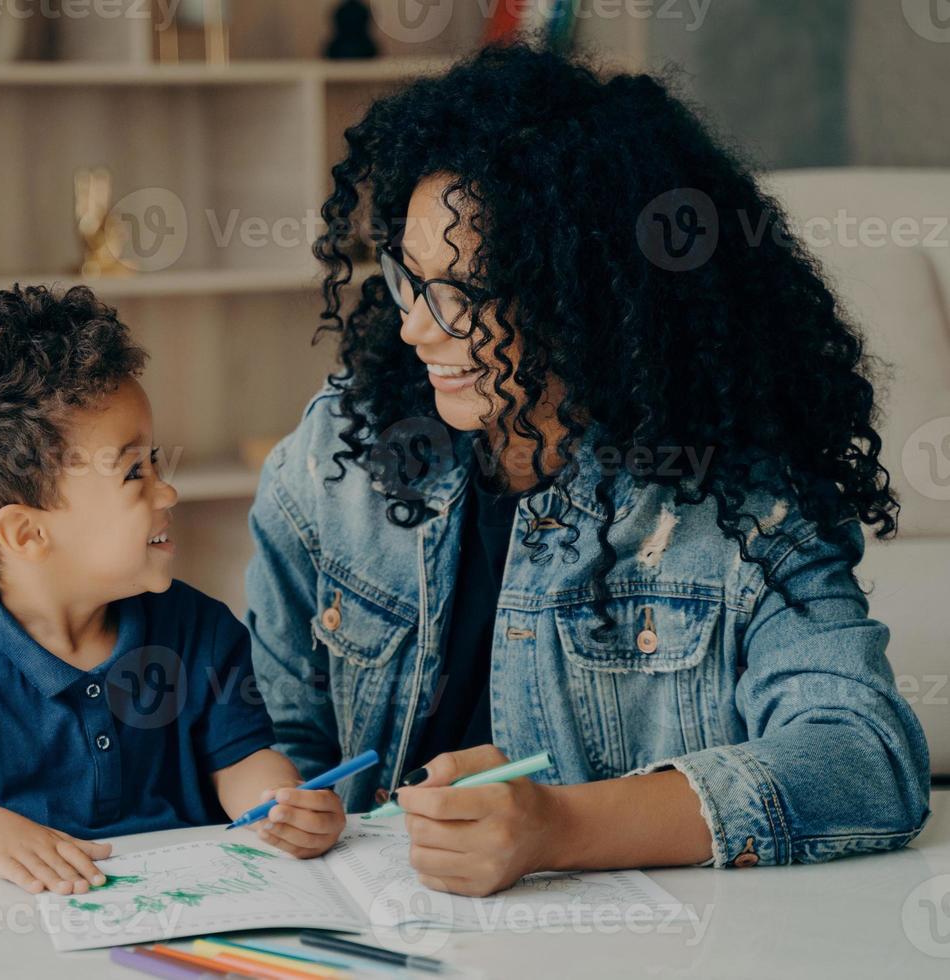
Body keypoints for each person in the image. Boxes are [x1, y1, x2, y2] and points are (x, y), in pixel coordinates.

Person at [244, 45, 931, 896]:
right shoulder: (337, 462)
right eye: (410, 281)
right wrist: (291, 816)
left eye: (462, 294)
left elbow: (865, 757)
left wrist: (560, 828)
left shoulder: (734, 505)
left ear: (587, 299)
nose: (418, 329)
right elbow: (272, 733)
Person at [0, 285, 344, 895]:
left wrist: (281, 805)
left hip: (184, 916)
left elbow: (239, 761)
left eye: (156, 462)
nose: (166, 491)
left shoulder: (199, 631)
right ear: (26, 533)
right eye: (133, 472)